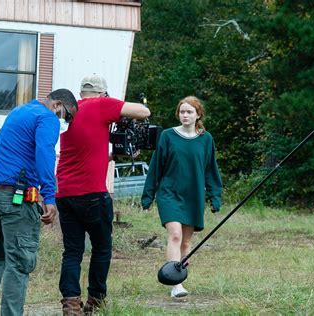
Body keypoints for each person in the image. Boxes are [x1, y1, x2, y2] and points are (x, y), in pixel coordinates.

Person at [0, 89, 78, 316]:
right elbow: (45, 154)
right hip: (13, 198)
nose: (64, 121)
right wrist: (49, 196)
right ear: (57, 104)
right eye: (66, 116)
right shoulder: (47, 117)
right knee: (18, 263)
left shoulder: (21, 111)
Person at [55, 74, 150, 315]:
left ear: (81, 93)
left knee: (73, 251)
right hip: (92, 193)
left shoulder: (70, 112)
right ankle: (95, 300)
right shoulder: (101, 105)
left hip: (64, 192)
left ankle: (70, 304)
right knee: (101, 248)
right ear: (102, 93)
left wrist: (109, 154)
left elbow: (85, 149)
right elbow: (143, 112)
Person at [141, 96, 223, 298]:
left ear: (198, 115)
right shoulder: (168, 136)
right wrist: (148, 195)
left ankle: (181, 279)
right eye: (182, 112)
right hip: (169, 193)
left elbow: (211, 170)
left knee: (186, 243)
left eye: (189, 112)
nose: (185, 115)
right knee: (175, 235)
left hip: (193, 195)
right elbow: (156, 167)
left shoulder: (206, 139)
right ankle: (174, 284)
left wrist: (215, 196)